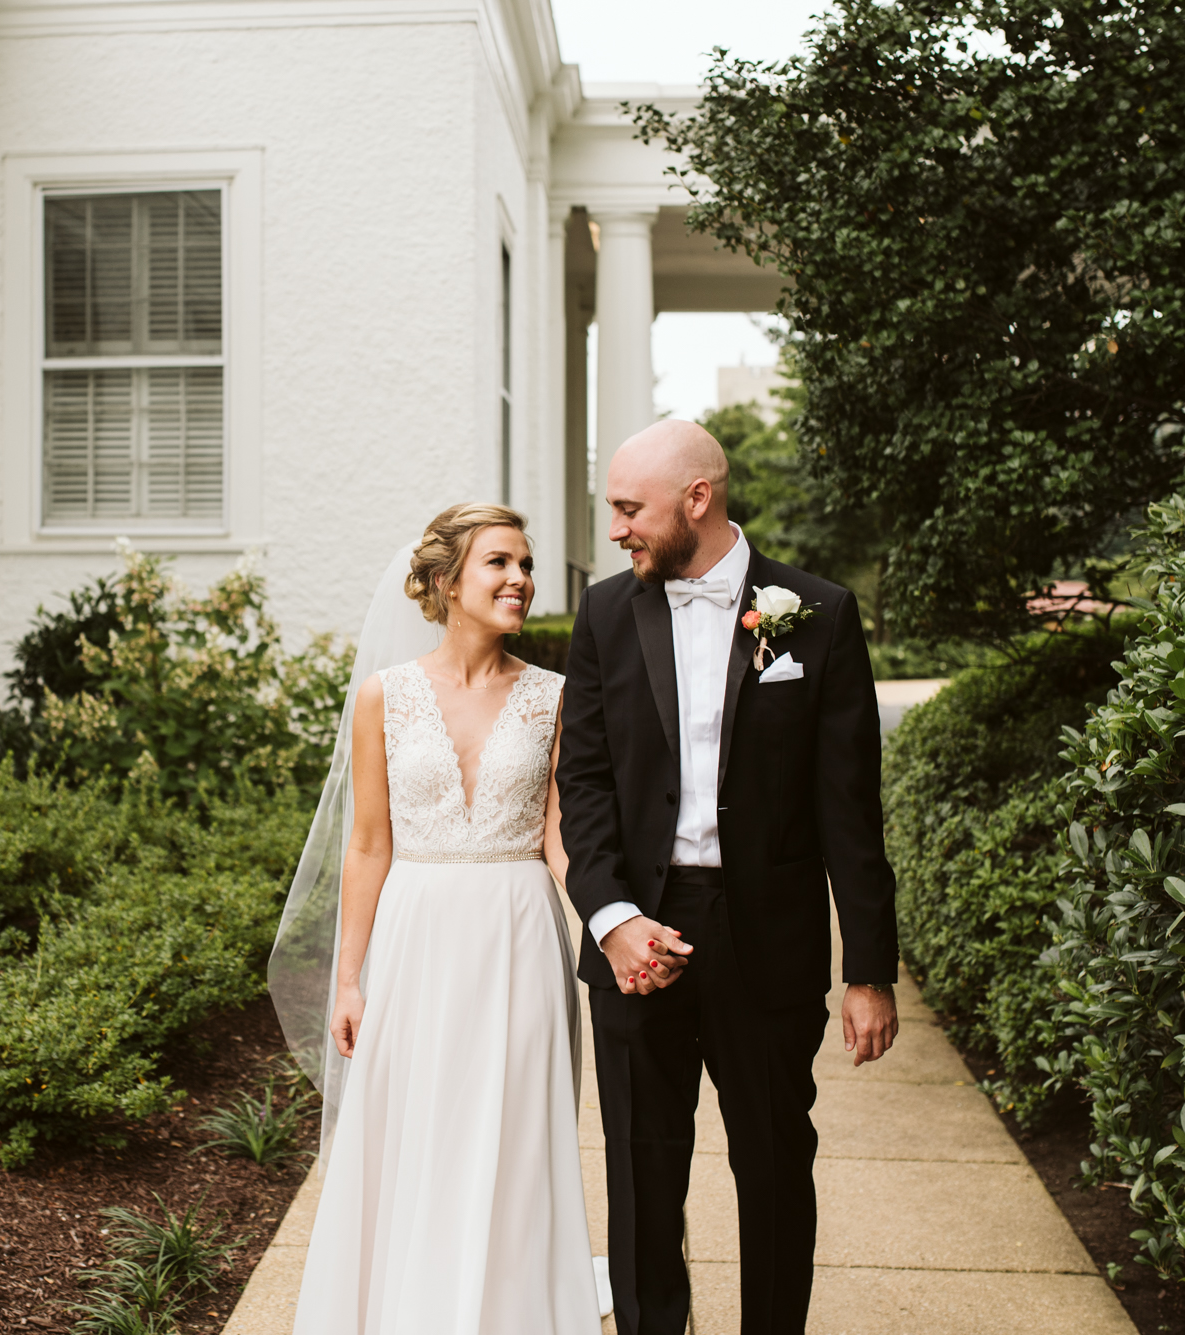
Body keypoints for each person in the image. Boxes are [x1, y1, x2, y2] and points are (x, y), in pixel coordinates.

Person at [557, 419, 901, 1335]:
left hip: (768, 940)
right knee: (641, 1171)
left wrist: (867, 968)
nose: (619, 527)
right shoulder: (601, 614)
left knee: (777, 1164)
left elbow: (849, 806)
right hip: (639, 933)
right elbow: (581, 786)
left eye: (631, 508)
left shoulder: (817, 611)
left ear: (696, 500)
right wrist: (612, 916)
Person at [272, 503, 603, 1335]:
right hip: (415, 940)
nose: (521, 579)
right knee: (416, 1134)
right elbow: (369, 845)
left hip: (520, 935)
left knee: (514, 1142)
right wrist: (349, 978)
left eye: (525, 564)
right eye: (500, 562)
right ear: (448, 581)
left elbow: (564, 838)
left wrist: (608, 925)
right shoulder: (384, 697)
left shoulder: (556, 696)